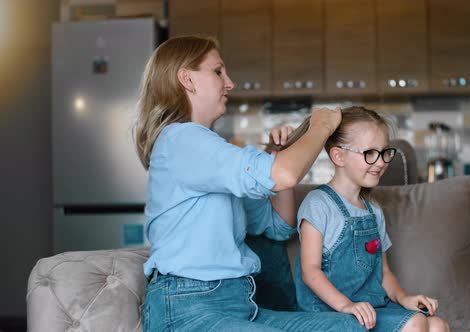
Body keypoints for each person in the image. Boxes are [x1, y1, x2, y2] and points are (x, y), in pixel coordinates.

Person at [133, 35, 369, 331]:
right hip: (188, 308)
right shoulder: (181, 139)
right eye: (218, 71)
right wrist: (320, 126)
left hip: (240, 303)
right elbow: (284, 175)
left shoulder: (211, 155)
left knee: (350, 327)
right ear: (187, 79)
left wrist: (280, 153)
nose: (229, 83)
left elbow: (278, 224)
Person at [285, 106, 451, 332]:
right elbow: (311, 272)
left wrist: (404, 298)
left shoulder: (374, 211)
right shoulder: (318, 204)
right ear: (338, 155)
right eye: (370, 153)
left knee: (437, 325)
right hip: (329, 312)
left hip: (371, 308)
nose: (382, 162)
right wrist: (347, 305)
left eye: (384, 152)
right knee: (416, 323)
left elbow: (384, 273)